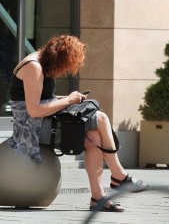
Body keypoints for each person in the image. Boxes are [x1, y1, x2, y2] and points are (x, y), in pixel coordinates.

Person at [6, 35, 146, 212]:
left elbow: (42, 99)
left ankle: (98, 198)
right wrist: (68, 101)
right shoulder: (34, 67)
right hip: (31, 129)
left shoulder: (43, 62)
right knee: (101, 118)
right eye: (66, 66)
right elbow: (33, 110)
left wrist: (70, 99)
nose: (64, 71)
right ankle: (119, 175)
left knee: (93, 137)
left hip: (45, 122)